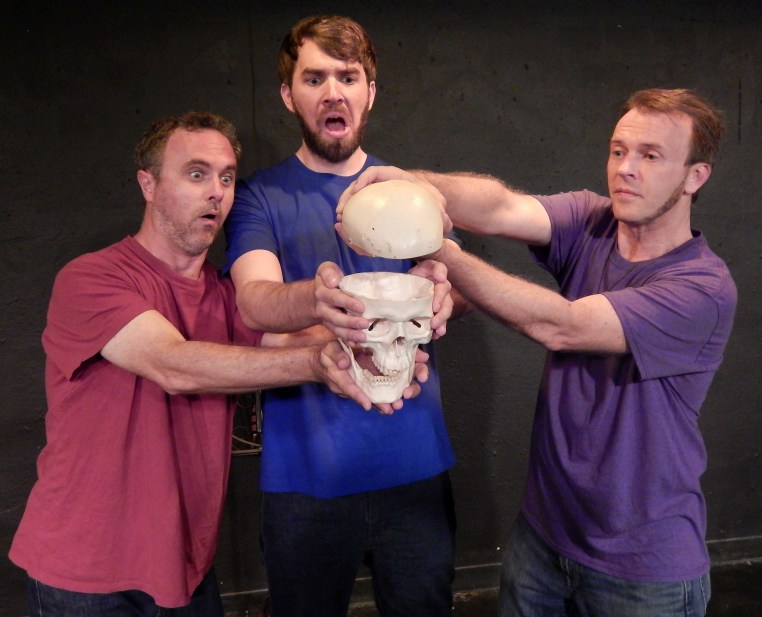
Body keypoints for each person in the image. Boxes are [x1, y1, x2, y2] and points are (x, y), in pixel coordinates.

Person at [340, 88, 737, 616]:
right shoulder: (593, 220)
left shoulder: (703, 288)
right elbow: (501, 206)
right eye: (619, 150)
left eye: (650, 156)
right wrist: (412, 186)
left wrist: (435, 247)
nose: (626, 168)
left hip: (643, 567)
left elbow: (565, 326)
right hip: (543, 539)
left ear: (695, 177)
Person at [8, 111, 416, 616]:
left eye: (226, 178)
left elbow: (292, 340)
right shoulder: (92, 278)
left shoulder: (224, 296)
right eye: (196, 174)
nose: (216, 193)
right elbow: (173, 365)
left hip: (186, 571)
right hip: (86, 573)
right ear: (149, 184)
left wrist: (383, 342)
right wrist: (320, 363)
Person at [223, 15, 460, 617]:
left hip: (414, 462)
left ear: (369, 92)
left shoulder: (408, 190)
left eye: (348, 77)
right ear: (288, 95)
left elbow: (444, 282)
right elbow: (255, 301)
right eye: (314, 78)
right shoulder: (259, 197)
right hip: (307, 474)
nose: (333, 92)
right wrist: (317, 301)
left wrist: (443, 295)